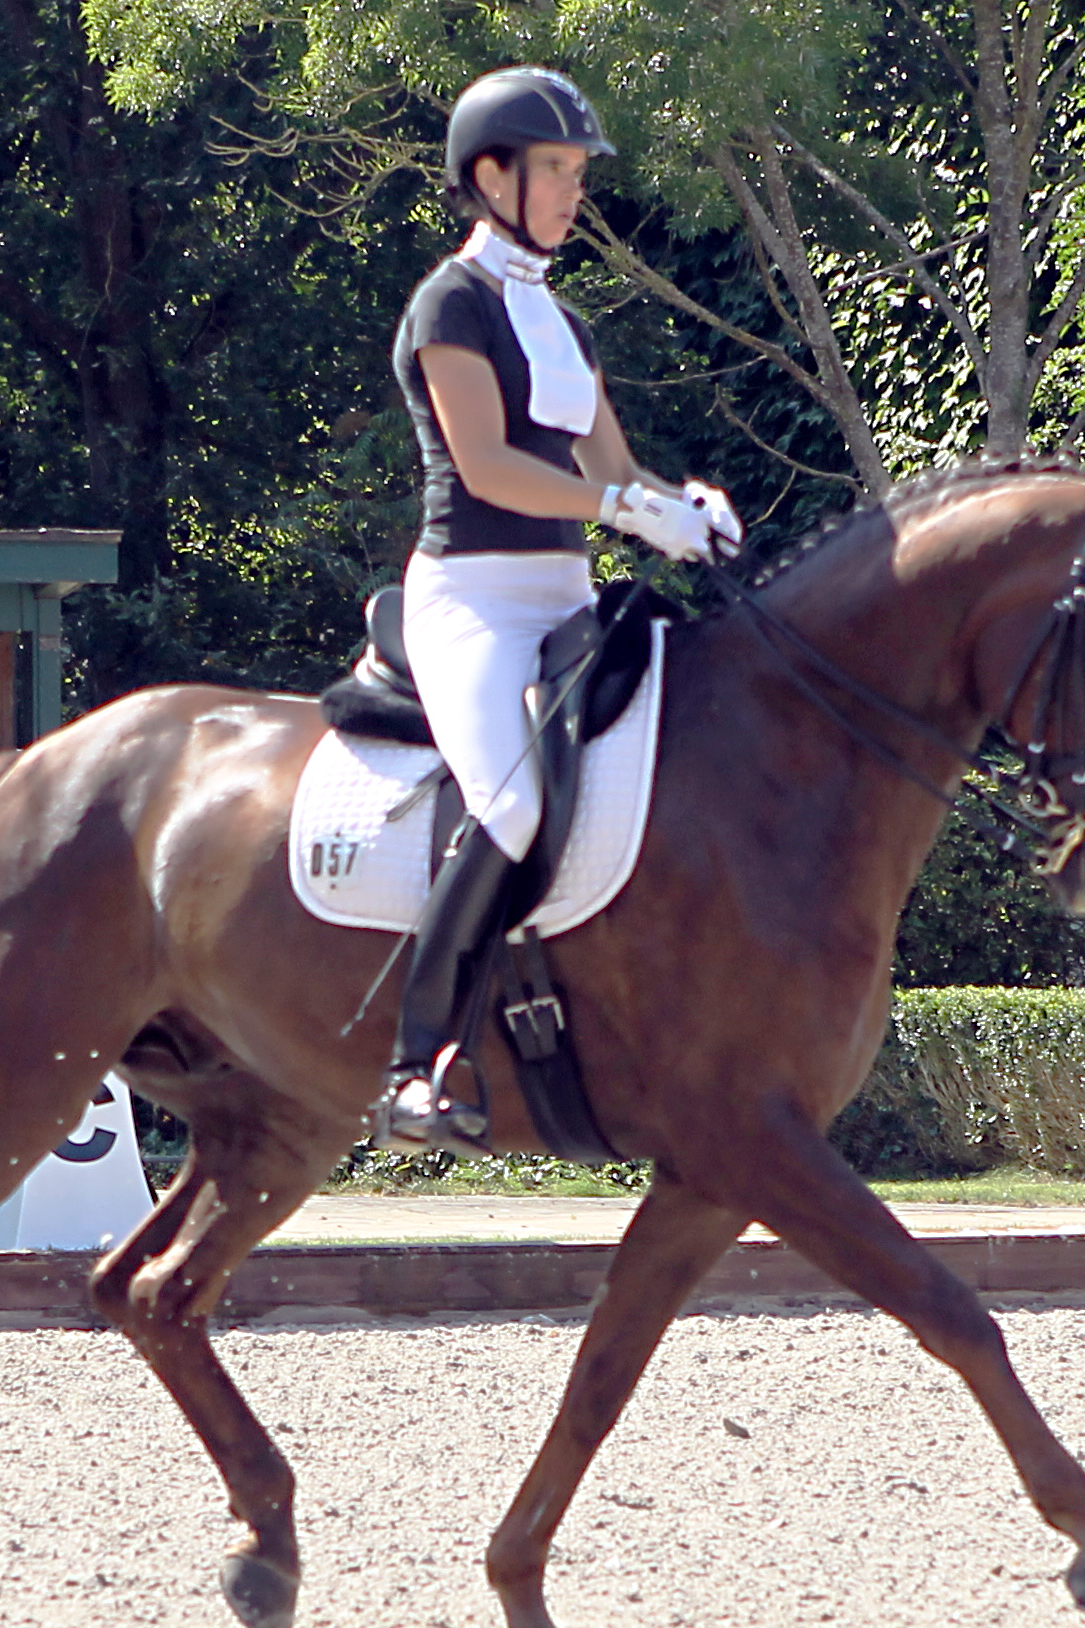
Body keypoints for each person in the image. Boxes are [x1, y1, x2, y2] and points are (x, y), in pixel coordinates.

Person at [374, 65, 745, 1155]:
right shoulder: (452, 303)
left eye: (581, 175)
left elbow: (612, 462)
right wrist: (628, 508)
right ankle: (414, 1064)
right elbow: (490, 467)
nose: (576, 193)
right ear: (492, 176)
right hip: (474, 602)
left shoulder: (557, 317)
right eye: (559, 172)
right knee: (514, 807)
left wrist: (689, 508)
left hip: (565, 599)